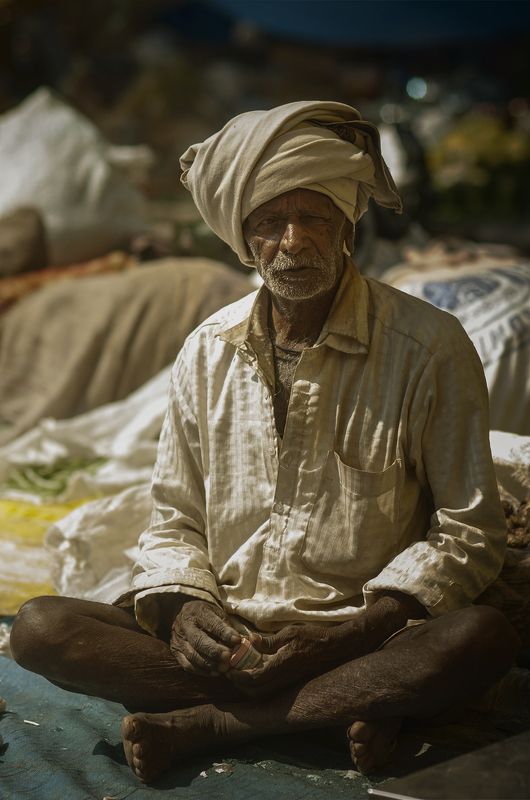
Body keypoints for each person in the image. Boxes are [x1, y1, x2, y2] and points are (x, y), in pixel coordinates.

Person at [10, 101, 518, 784]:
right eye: (270, 221)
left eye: (313, 217)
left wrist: (359, 630)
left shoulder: (429, 348)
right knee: (40, 629)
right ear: (243, 237)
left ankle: (218, 723)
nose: (293, 241)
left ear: (346, 226)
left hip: (361, 634)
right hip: (232, 637)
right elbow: (174, 518)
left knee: (478, 640)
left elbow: (468, 531)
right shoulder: (207, 350)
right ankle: (332, 710)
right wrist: (186, 607)